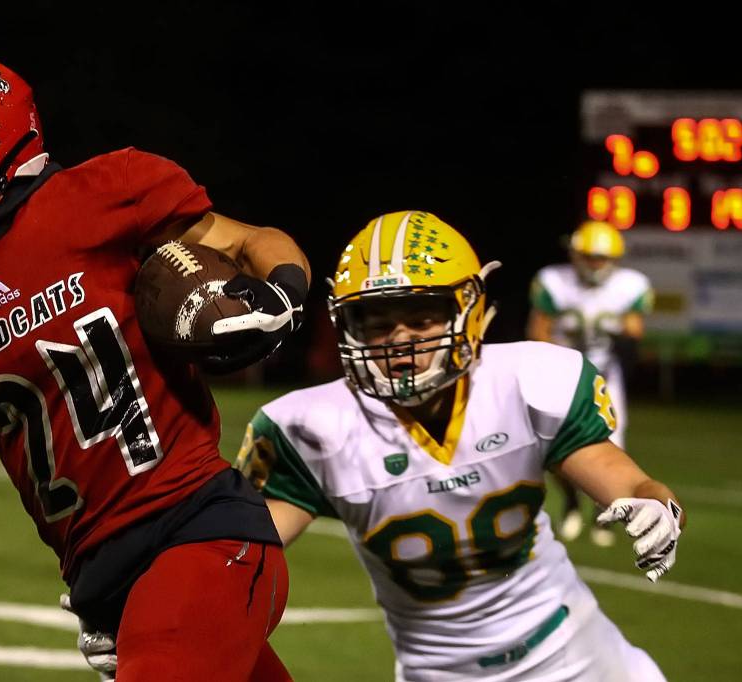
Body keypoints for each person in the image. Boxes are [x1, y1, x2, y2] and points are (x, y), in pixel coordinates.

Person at [0, 52, 311, 681]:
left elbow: (250, 241)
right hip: (104, 573)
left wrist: (283, 293)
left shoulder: (105, 195)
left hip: (199, 525)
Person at [235, 211, 681, 682]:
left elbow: (627, 481)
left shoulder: (528, 382)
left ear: (466, 310)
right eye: (377, 322)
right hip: (440, 672)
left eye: (421, 317)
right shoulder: (313, 426)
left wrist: (659, 507)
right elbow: (240, 550)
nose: (400, 341)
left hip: (576, 652)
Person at [528, 220, 653, 546]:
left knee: (613, 446)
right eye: (590, 256)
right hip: (561, 373)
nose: (595, 264)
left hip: (604, 373)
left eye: (602, 258)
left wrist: (614, 327)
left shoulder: (629, 285)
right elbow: (538, 332)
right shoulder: (554, 281)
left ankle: (605, 514)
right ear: (575, 254)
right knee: (557, 446)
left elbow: (635, 329)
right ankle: (571, 501)